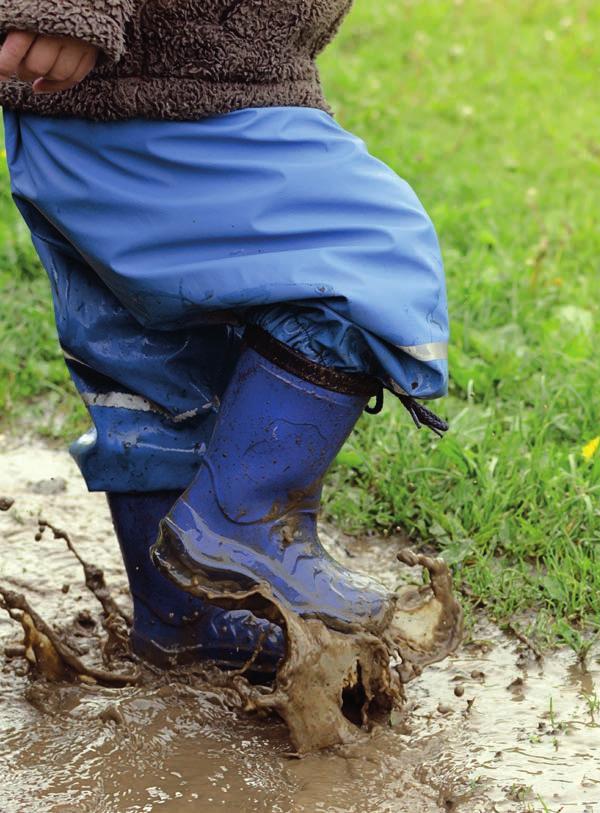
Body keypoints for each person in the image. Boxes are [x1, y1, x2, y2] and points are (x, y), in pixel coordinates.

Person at [0, 0, 449, 676]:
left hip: (123, 97)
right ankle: (246, 521)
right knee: (369, 257)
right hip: (160, 85)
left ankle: (185, 621)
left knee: (160, 370)